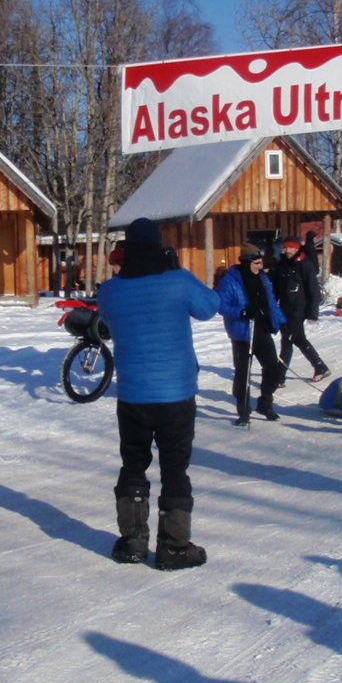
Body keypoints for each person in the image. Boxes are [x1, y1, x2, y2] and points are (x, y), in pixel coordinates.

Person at [97, 217, 221, 568]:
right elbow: (209, 307)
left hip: (133, 395)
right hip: (176, 394)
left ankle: (133, 541)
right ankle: (175, 547)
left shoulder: (111, 290)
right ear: (159, 247)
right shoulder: (178, 282)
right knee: (174, 468)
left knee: (133, 464)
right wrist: (176, 270)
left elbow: (108, 315)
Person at [218, 242, 287, 425]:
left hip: (262, 329)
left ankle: (265, 402)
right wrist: (242, 312)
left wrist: (282, 322)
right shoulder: (231, 281)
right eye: (256, 263)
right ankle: (243, 411)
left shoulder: (263, 278)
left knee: (273, 369)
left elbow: (272, 303)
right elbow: (221, 306)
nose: (260, 266)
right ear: (247, 261)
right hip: (242, 333)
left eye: (261, 262)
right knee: (243, 374)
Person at [270, 236, 328, 385]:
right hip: (285, 309)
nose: (288, 250)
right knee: (297, 340)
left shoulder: (304, 264)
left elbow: (313, 291)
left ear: (297, 248)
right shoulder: (282, 265)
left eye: (291, 247)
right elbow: (275, 288)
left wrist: (312, 313)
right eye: (285, 247)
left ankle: (279, 376)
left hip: (298, 309)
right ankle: (320, 367)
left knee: (288, 340)